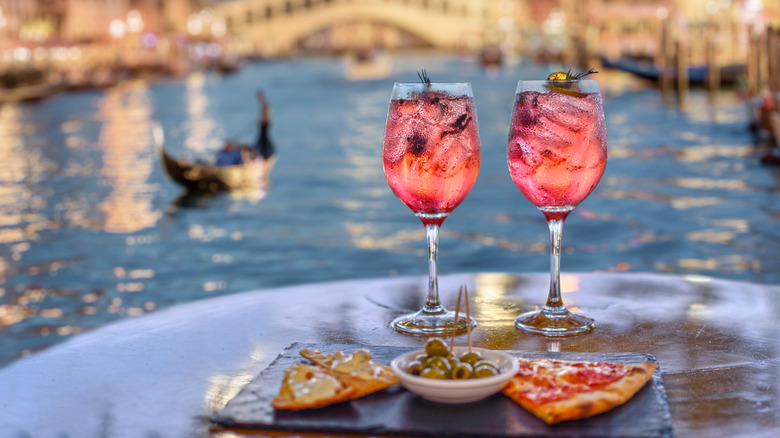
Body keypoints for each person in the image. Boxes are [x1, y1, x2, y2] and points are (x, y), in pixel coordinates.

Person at [255, 90, 275, 160]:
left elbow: (267, 114)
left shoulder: (265, 104)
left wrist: (263, 121)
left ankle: (265, 152)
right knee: (262, 137)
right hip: (264, 123)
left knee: (264, 137)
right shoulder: (263, 103)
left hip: (265, 123)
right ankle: (262, 151)